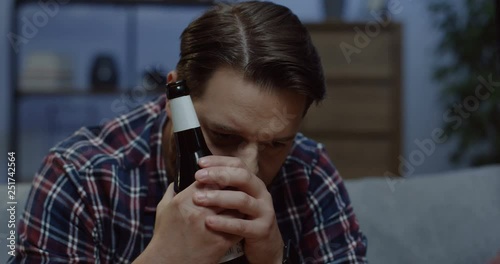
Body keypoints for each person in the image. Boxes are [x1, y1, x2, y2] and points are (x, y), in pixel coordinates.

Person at [11, 1, 367, 263]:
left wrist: (273, 259)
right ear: (174, 97)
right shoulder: (81, 175)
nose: (249, 170)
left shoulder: (309, 172)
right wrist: (164, 258)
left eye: (276, 144)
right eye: (225, 137)